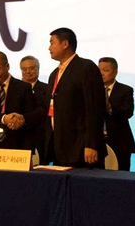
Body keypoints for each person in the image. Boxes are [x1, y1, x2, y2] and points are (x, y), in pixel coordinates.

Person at [46, 28, 105, 168]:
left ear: (65, 44)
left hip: (81, 147)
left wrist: (91, 144)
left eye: (52, 43)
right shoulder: (54, 74)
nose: (49, 48)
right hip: (60, 146)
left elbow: (94, 108)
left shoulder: (86, 68)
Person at [0, 51, 43, 150]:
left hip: (16, 143)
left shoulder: (23, 87)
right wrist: (4, 118)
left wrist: (20, 120)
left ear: (7, 67)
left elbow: (32, 113)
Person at [98, 57, 135, 171]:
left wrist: (110, 108)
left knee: (121, 174)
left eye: (105, 70)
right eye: (99, 70)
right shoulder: (91, 90)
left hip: (120, 141)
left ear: (115, 72)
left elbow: (128, 112)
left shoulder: (125, 90)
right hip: (98, 141)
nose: (101, 74)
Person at [20, 55, 50, 163]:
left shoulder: (47, 89)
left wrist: (23, 118)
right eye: (24, 69)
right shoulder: (15, 88)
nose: (28, 72)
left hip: (40, 134)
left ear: (38, 69)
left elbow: (44, 110)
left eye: (32, 68)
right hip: (19, 135)